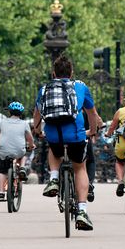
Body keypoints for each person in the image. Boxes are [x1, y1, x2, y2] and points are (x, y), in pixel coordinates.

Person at [32, 55, 102, 232]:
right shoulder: (80, 86)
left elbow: (37, 115)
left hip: (54, 134)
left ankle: (54, 179)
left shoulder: (44, 89)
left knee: (54, 150)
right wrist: (93, 130)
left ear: (53, 73)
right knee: (80, 167)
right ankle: (82, 211)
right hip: (76, 135)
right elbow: (91, 113)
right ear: (71, 73)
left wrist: (38, 131)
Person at [0, 102, 34, 202]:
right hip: (19, 150)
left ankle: (1, 192)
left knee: (3, 171)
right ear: (21, 113)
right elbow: (30, 138)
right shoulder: (25, 123)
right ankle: (22, 168)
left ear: (9, 112)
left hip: (4, 150)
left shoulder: (2, 122)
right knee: (24, 154)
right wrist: (31, 145)